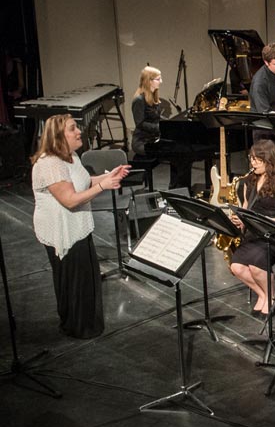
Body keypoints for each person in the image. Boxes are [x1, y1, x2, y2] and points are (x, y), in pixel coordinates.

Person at [31, 114, 130, 338]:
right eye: (73, 128)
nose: (79, 132)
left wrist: (107, 177)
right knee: (74, 281)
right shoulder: (50, 163)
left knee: (86, 278)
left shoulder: (70, 156)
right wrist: (103, 186)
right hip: (61, 229)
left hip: (77, 227)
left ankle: (86, 325)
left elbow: (82, 182)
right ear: (58, 136)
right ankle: (76, 327)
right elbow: (69, 199)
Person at [228, 139, 275, 316]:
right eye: (251, 158)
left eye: (258, 159)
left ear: (270, 160)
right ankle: (264, 294)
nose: (253, 163)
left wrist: (259, 221)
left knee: (257, 268)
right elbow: (245, 206)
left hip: (274, 235)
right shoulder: (249, 180)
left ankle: (270, 296)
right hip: (254, 234)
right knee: (237, 268)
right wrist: (239, 217)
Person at [130, 66, 191, 189]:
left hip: (153, 139)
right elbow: (140, 123)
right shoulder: (139, 100)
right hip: (143, 142)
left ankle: (179, 188)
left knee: (183, 151)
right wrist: (162, 128)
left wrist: (169, 124)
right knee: (178, 154)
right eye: (158, 79)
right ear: (149, 81)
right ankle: (176, 188)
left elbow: (156, 119)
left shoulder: (152, 97)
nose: (161, 81)